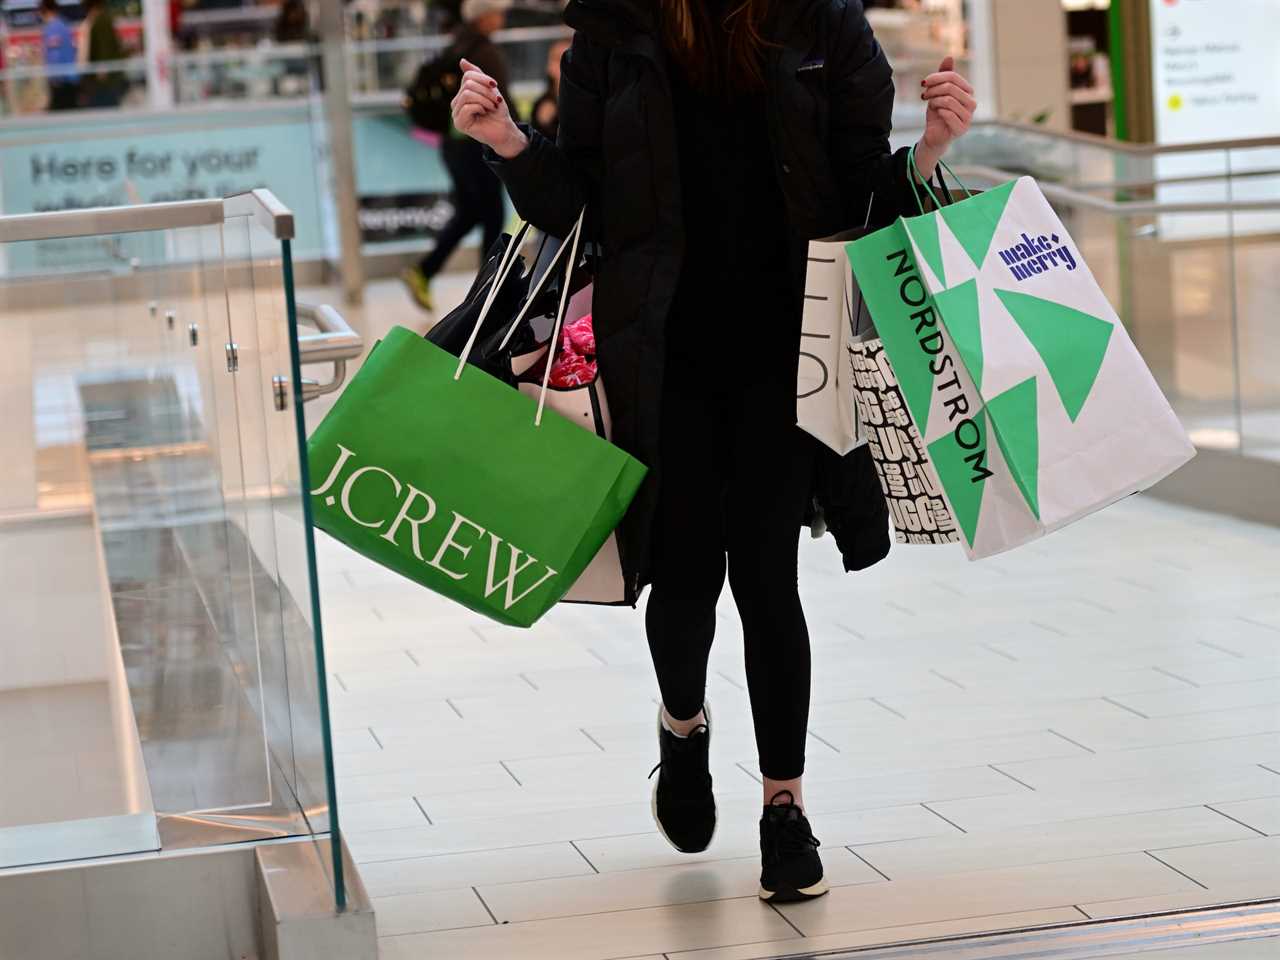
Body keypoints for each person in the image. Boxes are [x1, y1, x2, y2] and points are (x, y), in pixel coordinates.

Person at [452, 0, 975, 902]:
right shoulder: (614, 31)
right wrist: (505, 140)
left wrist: (927, 151)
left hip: (790, 355)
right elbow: (575, 202)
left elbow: (861, 194)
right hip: (662, 355)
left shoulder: (825, 25)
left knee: (769, 577)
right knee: (686, 573)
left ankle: (785, 809)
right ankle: (683, 729)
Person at [401, 0, 515, 313]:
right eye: (498, 10)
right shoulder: (484, 52)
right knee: (493, 218)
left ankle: (424, 271)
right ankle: (488, 297)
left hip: (455, 147)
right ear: (485, 16)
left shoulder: (457, 44)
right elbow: (502, 105)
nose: (503, 16)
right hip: (476, 147)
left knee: (470, 213)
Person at [79, 0, 127, 108]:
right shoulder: (104, 19)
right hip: (107, 78)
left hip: (103, 81)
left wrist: (101, 70)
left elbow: (104, 47)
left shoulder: (100, 21)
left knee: (103, 110)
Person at [38, 0, 78, 111]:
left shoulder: (52, 28)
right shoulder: (65, 25)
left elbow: (54, 55)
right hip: (71, 77)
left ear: (45, 11)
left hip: (60, 81)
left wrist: (53, 77)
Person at [530, 38, 570, 142]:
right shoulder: (542, 104)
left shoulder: (591, 99)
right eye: (557, 59)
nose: (563, 65)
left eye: (568, 58)